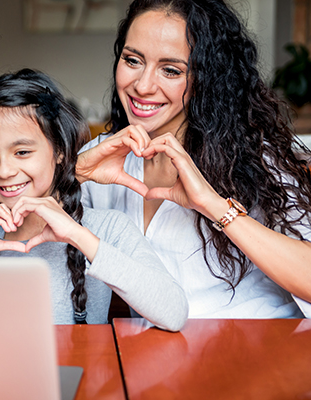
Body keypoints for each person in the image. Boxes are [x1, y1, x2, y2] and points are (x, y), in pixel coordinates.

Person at [76, 0, 311, 318]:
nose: (143, 86)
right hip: (156, 354)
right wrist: (76, 173)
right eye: (133, 60)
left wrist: (214, 206)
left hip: (259, 344)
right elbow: (24, 242)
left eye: (171, 70)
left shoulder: (253, 155)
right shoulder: (102, 157)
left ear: (205, 79)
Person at [0, 69, 188, 329]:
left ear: (60, 151)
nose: (4, 171)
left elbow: (173, 313)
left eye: (22, 152)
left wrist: (78, 235)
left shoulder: (107, 227)